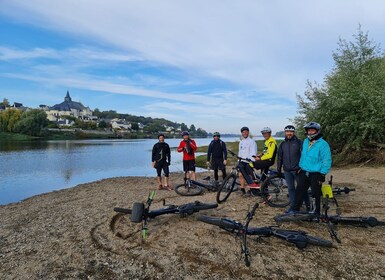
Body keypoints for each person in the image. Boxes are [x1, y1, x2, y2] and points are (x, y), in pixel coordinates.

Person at [290, 122, 332, 217]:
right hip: (305, 171)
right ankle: (294, 210)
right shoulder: (305, 141)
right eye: (309, 130)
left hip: (316, 173)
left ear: (317, 131)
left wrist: (323, 174)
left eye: (312, 130)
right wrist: (300, 166)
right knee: (299, 191)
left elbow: (327, 160)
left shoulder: (323, 144)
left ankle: (316, 212)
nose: (310, 132)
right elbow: (303, 156)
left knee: (315, 193)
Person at [277, 125, 310, 210]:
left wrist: (301, 167)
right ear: (285, 132)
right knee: (291, 189)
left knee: (302, 188)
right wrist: (278, 169)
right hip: (287, 171)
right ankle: (293, 207)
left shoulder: (299, 142)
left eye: (291, 132)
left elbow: (305, 155)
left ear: (294, 132)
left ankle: (308, 206)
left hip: (298, 170)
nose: (289, 133)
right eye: (287, 131)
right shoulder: (282, 144)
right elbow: (280, 158)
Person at [237, 126, 258, 196]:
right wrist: (238, 160)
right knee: (240, 175)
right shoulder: (241, 142)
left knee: (249, 176)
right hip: (242, 161)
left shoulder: (252, 142)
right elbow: (240, 152)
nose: (244, 133)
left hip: (248, 161)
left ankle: (249, 190)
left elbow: (253, 152)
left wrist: (251, 160)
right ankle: (242, 189)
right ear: (242, 133)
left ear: (248, 133)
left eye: (246, 132)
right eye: (243, 132)